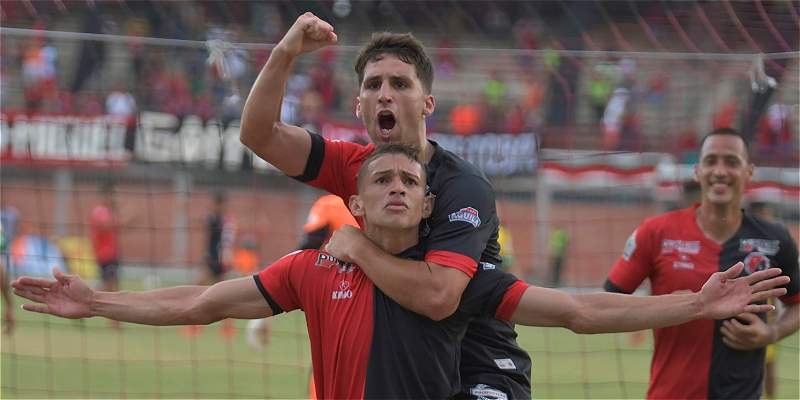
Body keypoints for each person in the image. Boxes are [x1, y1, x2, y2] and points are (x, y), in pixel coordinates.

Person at [13, 144, 789, 399]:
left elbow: (585, 311)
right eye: (378, 180)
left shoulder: (456, 280)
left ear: (425, 210)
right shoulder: (312, 266)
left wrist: (697, 300)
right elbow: (202, 301)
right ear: (353, 199)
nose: (393, 186)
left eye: (408, 182)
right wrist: (98, 302)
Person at [239, 13, 533, 397]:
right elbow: (259, 134)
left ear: (427, 103)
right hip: (408, 367)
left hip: (480, 367)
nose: (385, 94)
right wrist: (285, 51)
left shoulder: (462, 185)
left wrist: (357, 247)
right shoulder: (355, 166)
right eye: (373, 85)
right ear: (359, 106)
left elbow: (438, 296)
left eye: (399, 83)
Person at [604, 128, 799, 399]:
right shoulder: (656, 232)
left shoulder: (775, 239)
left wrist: (772, 332)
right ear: (697, 171)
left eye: (731, 162)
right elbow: (607, 303)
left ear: (749, 172)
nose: (720, 171)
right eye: (711, 161)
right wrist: (672, 306)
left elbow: (797, 304)